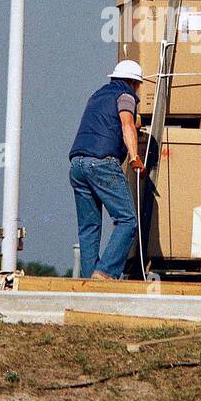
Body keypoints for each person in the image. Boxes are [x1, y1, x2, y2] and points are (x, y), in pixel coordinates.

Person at [69, 60, 147, 280]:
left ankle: (88, 279)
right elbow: (126, 123)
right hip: (101, 163)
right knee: (127, 220)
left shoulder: (97, 96)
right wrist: (134, 156)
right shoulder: (126, 95)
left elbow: (105, 123)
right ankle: (105, 273)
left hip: (77, 164)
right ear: (134, 83)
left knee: (89, 227)